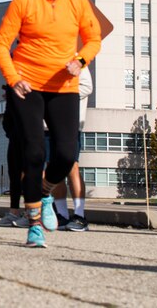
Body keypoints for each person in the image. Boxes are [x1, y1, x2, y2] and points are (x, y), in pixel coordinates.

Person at [0, 0, 101, 248]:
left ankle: (43, 190)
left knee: (66, 155)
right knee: (34, 152)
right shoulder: (24, 0)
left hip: (64, 86)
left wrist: (80, 61)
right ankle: (35, 225)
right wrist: (13, 79)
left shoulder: (77, 0)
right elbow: (0, 43)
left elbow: (93, 39)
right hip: (28, 86)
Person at [53, 64, 94, 232]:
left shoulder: (76, 59)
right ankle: (62, 215)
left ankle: (79, 215)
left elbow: (87, 86)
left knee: (72, 168)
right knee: (53, 170)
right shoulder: (47, 57)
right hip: (49, 124)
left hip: (70, 123)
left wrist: (63, 95)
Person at [0, 85, 28, 227]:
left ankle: (30, 212)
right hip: (15, 136)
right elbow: (7, 121)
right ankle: (13, 212)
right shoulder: (11, 99)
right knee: (14, 175)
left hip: (29, 134)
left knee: (28, 174)